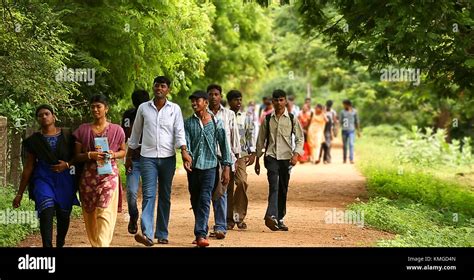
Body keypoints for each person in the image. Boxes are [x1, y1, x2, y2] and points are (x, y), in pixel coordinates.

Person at [127, 76, 189, 246]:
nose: (159, 88)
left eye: (163, 86)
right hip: (147, 158)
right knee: (148, 195)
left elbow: (179, 131)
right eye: (156, 86)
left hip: (168, 158)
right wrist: (128, 157)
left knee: (165, 196)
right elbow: (135, 134)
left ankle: (162, 233)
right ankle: (147, 233)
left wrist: (183, 151)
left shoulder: (174, 109)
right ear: (153, 88)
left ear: (168, 89)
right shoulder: (143, 108)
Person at [13, 105, 79, 247]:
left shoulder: (68, 135)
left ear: (53, 116)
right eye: (40, 115)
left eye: (46, 114)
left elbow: (77, 157)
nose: (43, 117)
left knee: (63, 215)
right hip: (43, 178)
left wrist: (67, 165)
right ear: (38, 120)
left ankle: (60, 242)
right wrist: (19, 194)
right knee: (46, 210)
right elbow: (29, 167)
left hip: (65, 179)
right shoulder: (34, 141)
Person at [73, 95, 126, 247]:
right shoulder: (82, 130)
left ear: (106, 108)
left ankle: (102, 245)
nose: (95, 109)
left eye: (98, 106)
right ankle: (96, 244)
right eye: (93, 107)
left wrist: (113, 154)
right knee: (90, 215)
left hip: (109, 175)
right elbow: (76, 156)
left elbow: (123, 151)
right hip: (88, 178)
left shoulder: (117, 130)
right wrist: (91, 155)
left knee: (104, 211)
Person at [184, 90, 232, 247]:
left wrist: (226, 167)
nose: (194, 103)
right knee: (195, 198)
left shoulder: (217, 122)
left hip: (211, 166)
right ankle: (201, 229)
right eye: (192, 101)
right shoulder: (188, 123)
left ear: (205, 102)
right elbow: (187, 144)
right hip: (193, 167)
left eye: (197, 101)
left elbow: (224, 147)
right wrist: (187, 157)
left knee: (205, 198)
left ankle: (200, 234)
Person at [255, 89, 304, 231]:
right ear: (272, 102)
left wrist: (296, 154)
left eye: (281, 100)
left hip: (286, 158)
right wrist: (257, 159)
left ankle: (280, 218)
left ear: (285, 101)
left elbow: (300, 138)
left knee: (283, 188)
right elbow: (261, 139)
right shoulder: (268, 119)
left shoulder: (292, 118)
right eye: (276, 100)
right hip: (271, 157)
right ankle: (271, 215)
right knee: (274, 185)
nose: (278, 103)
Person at [207, 84, 240, 239]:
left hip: (224, 159)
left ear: (220, 96)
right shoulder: (202, 114)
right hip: (205, 160)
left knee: (221, 193)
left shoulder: (229, 115)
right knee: (205, 194)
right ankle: (202, 227)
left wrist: (236, 159)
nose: (213, 97)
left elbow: (234, 137)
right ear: (207, 96)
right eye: (211, 94)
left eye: (216, 94)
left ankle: (220, 226)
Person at [226, 90, 256, 230]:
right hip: (226, 155)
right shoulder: (224, 116)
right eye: (235, 100)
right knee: (227, 186)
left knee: (242, 182)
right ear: (229, 101)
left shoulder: (246, 118)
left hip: (242, 155)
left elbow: (251, 136)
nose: (238, 102)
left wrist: (253, 153)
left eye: (240, 100)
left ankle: (238, 216)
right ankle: (228, 219)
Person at [121, 89, 150, 234]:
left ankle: (146, 226)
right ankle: (133, 216)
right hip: (133, 159)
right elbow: (124, 136)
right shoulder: (128, 116)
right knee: (131, 192)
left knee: (148, 194)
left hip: (150, 160)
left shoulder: (152, 114)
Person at [340, 99, 361, 164]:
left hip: (352, 130)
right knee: (344, 145)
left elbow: (357, 121)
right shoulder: (342, 112)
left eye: (344, 104)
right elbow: (340, 121)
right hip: (344, 131)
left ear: (348, 104)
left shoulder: (354, 111)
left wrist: (358, 131)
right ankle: (344, 159)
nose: (343, 106)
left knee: (351, 144)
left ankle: (351, 159)